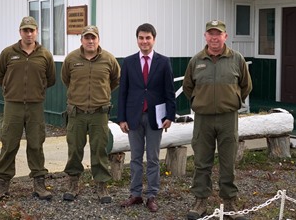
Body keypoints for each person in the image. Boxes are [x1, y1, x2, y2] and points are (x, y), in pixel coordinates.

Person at [183, 20, 252, 220]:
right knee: (201, 162)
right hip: (203, 119)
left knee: (227, 161)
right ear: (205, 36)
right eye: (210, 33)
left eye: (218, 34)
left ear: (225, 36)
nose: (214, 37)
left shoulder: (236, 59)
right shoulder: (196, 60)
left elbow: (246, 85)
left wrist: (233, 100)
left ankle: (229, 202)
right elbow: (188, 87)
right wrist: (200, 101)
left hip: (228, 118)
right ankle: (200, 200)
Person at [0, 16, 56, 201]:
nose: (29, 33)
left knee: (36, 144)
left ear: (36, 32)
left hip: (35, 106)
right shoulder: (8, 53)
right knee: (9, 144)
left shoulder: (45, 55)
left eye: (32, 30)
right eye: (25, 30)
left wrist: (37, 90)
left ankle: (39, 184)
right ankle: (2, 184)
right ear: (20, 32)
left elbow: (50, 79)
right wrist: (11, 88)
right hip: (13, 106)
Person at [117, 23, 176, 213]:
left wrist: (170, 116)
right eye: (141, 38)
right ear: (137, 40)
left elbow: (169, 91)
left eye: (148, 38)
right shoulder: (128, 62)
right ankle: (135, 194)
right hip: (133, 117)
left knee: (152, 158)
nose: (144, 41)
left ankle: (152, 195)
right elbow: (123, 92)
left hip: (155, 118)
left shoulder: (163, 62)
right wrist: (122, 118)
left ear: (154, 39)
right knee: (135, 157)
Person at [61, 25, 120, 204]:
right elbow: (66, 79)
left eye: (93, 38)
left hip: (99, 114)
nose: (90, 41)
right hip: (76, 113)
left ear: (98, 39)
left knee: (100, 150)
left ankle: (101, 185)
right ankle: (73, 184)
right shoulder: (71, 59)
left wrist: (99, 96)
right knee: (74, 150)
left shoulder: (109, 59)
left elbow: (115, 80)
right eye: (87, 38)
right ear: (82, 40)